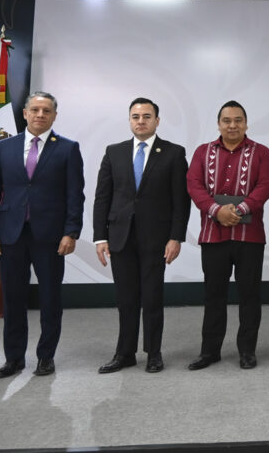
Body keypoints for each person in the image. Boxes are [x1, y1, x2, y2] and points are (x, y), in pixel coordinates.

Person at [0, 92, 85, 378]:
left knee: (50, 299)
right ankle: (13, 358)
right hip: (10, 235)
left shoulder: (68, 149)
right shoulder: (4, 147)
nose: (40, 115)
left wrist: (71, 232)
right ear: (25, 113)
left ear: (54, 116)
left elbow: (75, 195)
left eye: (46, 110)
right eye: (35, 110)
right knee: (13, 299)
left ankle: (45, 357)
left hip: (50, 236)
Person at [93, 97, 189, 374]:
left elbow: (180, 201)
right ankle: (124, 353)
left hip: (156, 238)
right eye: (135, 117)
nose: (141, 121)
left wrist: (176, 237)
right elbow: (103, 197)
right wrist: (100, 237)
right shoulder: (114, 152)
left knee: (152, 297)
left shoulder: (173, 153)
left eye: (147, 116)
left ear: (157, 121)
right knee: (126, 299)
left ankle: (153, 353)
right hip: (120, 236)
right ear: (129, 120)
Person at [185, 101, 269, 370]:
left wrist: (238, 210)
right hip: (213, 236)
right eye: (227, 120)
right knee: (213, 295)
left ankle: (247, 351)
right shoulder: (203, 152)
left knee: (250, 295)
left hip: (250, 237)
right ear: (218, 124)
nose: (232, 125)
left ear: (246, 124)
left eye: (238, 120)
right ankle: (209, 351)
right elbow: (194, 185)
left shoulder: (261, 153)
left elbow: (266, 185)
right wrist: (216, 211)